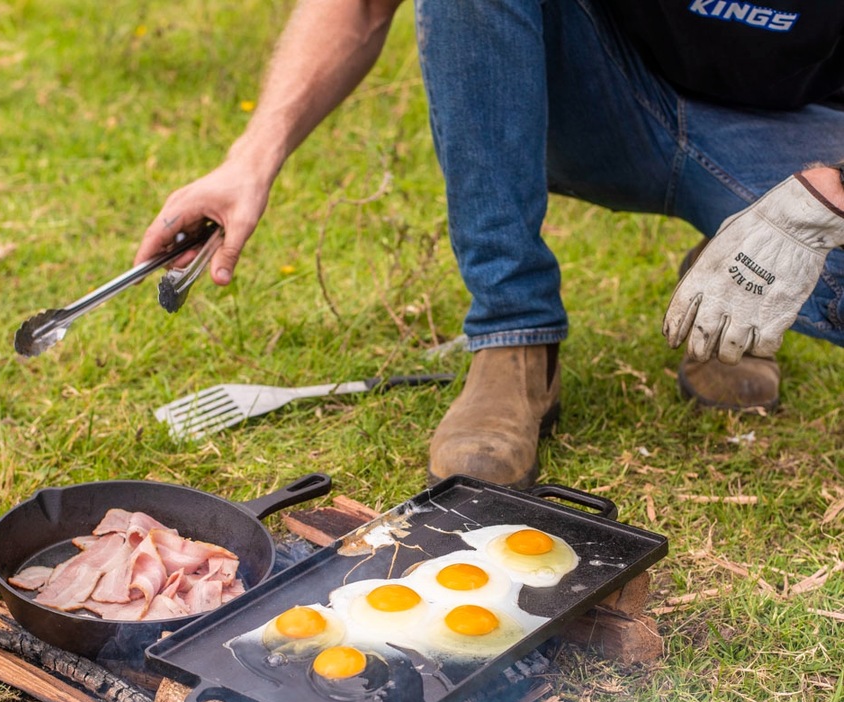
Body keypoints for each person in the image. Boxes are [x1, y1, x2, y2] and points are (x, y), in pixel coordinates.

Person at [135, 0, 844, 489]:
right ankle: (515, 336)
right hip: (607, 99)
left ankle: (736, 286)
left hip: (805, 142)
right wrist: (252, 157)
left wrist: (821, 200)